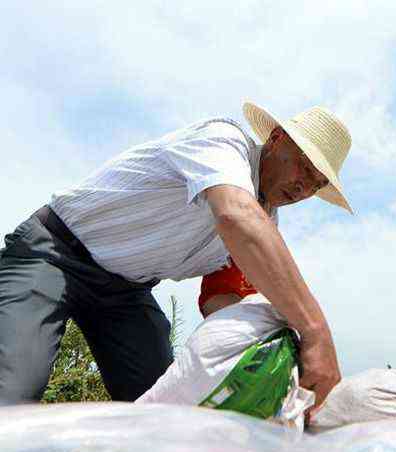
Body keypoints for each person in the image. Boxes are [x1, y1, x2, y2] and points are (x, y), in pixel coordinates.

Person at [0, 101, 351, 415]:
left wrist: (275, 360)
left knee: (168, 410)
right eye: (304, 167)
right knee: (11, 394)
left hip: (125, 293)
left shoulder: (265, 222)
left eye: (317, 183)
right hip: (54, 253)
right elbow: (235, 216)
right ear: (275, 139)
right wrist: (315, 331)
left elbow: (222, 300)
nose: (304, 187)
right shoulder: (223, 142)